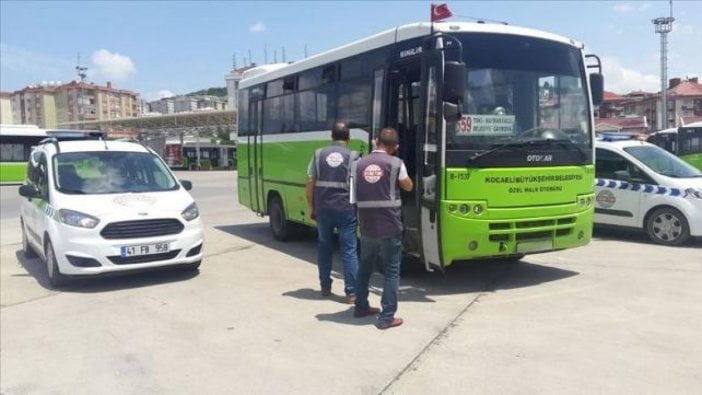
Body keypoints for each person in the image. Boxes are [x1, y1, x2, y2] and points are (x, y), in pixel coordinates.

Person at [351, 127, 413, 330]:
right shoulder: (396, 163)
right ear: (395, 147)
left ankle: (360, 306)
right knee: (391, 271)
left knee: (365, 267)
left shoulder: (358, 164)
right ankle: (387, 316)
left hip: (367, 224)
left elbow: (353, 196)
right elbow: (408, 186)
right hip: (390, 225)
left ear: (376, 141)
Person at [306, 121, 360, 303]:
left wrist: (312, 206)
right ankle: (351, 293)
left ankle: (325, 287)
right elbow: (358, 186)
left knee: (324, 248)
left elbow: (310, 182)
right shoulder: (354, 156)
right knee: (349, 251)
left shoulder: (318, 154)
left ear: (331, 137)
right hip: (346, 210)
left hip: (323, 209)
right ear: (349, 137)